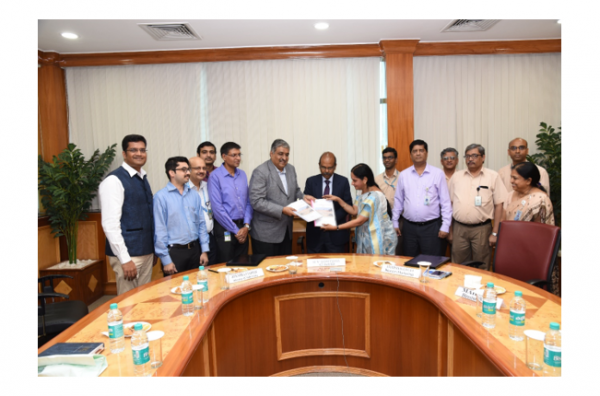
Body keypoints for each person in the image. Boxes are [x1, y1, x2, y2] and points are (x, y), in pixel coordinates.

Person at [99, 134, 156, 295]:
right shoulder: (114, 181)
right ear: (124, 154)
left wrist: (152, 250)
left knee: (143, 298)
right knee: (128, 302)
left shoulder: (142, 177)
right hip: (128, 255)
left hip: (145, 252)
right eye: (133, 150)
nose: (139, 153)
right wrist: (124, 259)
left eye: (142, 150)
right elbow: (110, 224)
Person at [249, 139, 315, 257]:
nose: (284, 157)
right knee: (267, 271)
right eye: (280, 154)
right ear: (271, 153)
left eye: (287, 154)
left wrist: (304, 197)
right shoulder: (260, 172)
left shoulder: (291, 169)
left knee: (284, 268)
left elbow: (295, 190)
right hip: (266, 235)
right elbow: (256, 201)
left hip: (286, 231)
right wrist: (282, 210)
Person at [448, 144, 508, 271]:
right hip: (459, 228)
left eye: (474, 156)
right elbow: (450, 204)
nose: (470, 159)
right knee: (458, 265)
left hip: (482, 229)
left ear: (483, 157)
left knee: (482, 265)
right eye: (468, 156)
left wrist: (495, 233)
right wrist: (450, 230)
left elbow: (499, 206)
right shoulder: (456, 176)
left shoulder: (493, 176)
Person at [502, 161, 557, 294]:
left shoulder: (540, 199)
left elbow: (541, 236)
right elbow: (504, 221)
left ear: (528, 180)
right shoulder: (511, 195)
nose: (511, 181)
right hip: (511, 251)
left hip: (530, 255)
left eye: (515, 178)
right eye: (511, 177)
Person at [392, 140, 452, 257]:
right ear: (411, 155)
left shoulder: (437, 173)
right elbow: (398, 200)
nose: (418, 153)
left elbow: (445, 202)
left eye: (421, 150)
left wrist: (445, 225)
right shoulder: (404, 175)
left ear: (426, 153)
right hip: (409, 228)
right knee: (409, 261)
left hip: (432, 227)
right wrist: (395, 222)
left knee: (432, 262)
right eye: (415, 151)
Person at [322, 164, 396, 255]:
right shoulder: (362, 192)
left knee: (376, 266)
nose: (352, 183)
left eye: (354, 180)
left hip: (379, 237)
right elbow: (354, 211)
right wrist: (338, 199)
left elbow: (359, 221)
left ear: (365, 180)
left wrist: (335, 227)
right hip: (367, 236)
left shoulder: (374, 196)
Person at [154, 157, 210, 275]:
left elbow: (201, 223)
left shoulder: (194, 195)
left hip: (195, 251)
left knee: (197, 286)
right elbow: (159, 230)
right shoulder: (161, 197)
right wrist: (166, 260)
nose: (188, 173)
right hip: (174, 253)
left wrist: (204, 250)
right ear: (172, 173)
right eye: (184, 170)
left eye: (188, 169)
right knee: (176, 290)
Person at [208, 142, 253, 264]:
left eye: (239, 155)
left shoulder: (242, 174)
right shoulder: (215, 176)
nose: (238, 158)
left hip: (243, 228)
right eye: (234, 155)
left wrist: (246, 226)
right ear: (224, 156)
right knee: (226, 266)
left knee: (243, 265)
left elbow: (248, 202)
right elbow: (217, 208)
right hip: (225, 228)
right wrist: (236, 231)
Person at [303, 152, 353, 253]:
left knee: (336, 267)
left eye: (329, 168)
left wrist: (330, 219)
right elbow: (306, 206)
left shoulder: (343, 182)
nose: (326, 171)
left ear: (335, 166)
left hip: (336, 235)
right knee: (314, 267)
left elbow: (347, 206)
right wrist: (319, 218)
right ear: (319, 165)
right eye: (323, 167)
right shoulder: (311, 181)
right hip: (315, 235)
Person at [188, 156, 218, 265]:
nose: (201, 171)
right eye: (197, 168)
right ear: (189, 170)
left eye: (204, 168)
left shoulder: (208, 185)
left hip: (210, 237)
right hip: (192, 241)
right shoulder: (183, 189)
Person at [374, 147, 403, 255]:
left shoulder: (402, 177)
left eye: (390, 157)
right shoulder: (377, 179)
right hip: (381, 219)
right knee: (382, 249)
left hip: (399, 219)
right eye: (385, 158)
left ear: (396, 160)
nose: (387, 160)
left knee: (397, 250)